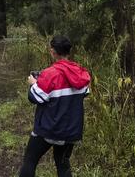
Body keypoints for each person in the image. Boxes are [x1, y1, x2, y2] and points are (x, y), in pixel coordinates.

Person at [19, 35, 91, 177]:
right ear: (68, 51)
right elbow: (85, 92)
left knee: (30, 160)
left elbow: (34, 98)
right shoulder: (81, 73)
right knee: (63, 164)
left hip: (49, 129)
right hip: (71, 130)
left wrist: (34, 84)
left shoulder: (49, 74)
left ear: (52, 51)